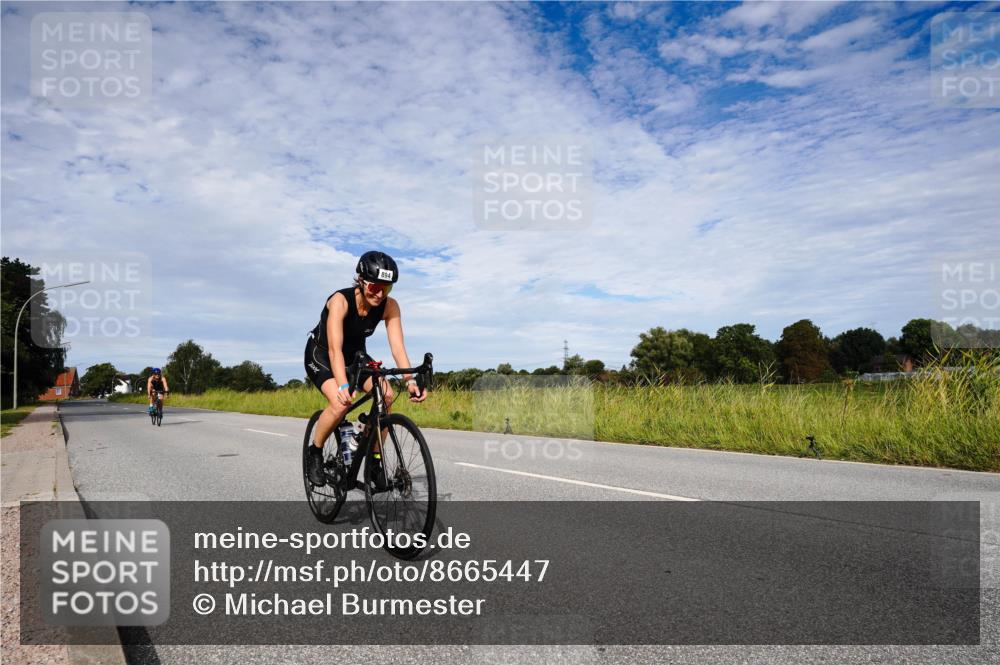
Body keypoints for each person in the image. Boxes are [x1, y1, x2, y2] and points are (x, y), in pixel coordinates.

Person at [304, 251, 427, 487]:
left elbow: (398, 348)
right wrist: (342, 385)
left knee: (387, 395)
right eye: (374, 287)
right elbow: (334, 351)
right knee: (341, 403)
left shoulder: (390, 306)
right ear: (361, 281)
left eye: (387, 288)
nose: (380, 294)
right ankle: (315, 453)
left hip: (356, 357)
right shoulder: (340, 301)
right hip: (322, 355)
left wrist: (411, 382)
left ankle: (374, 461)